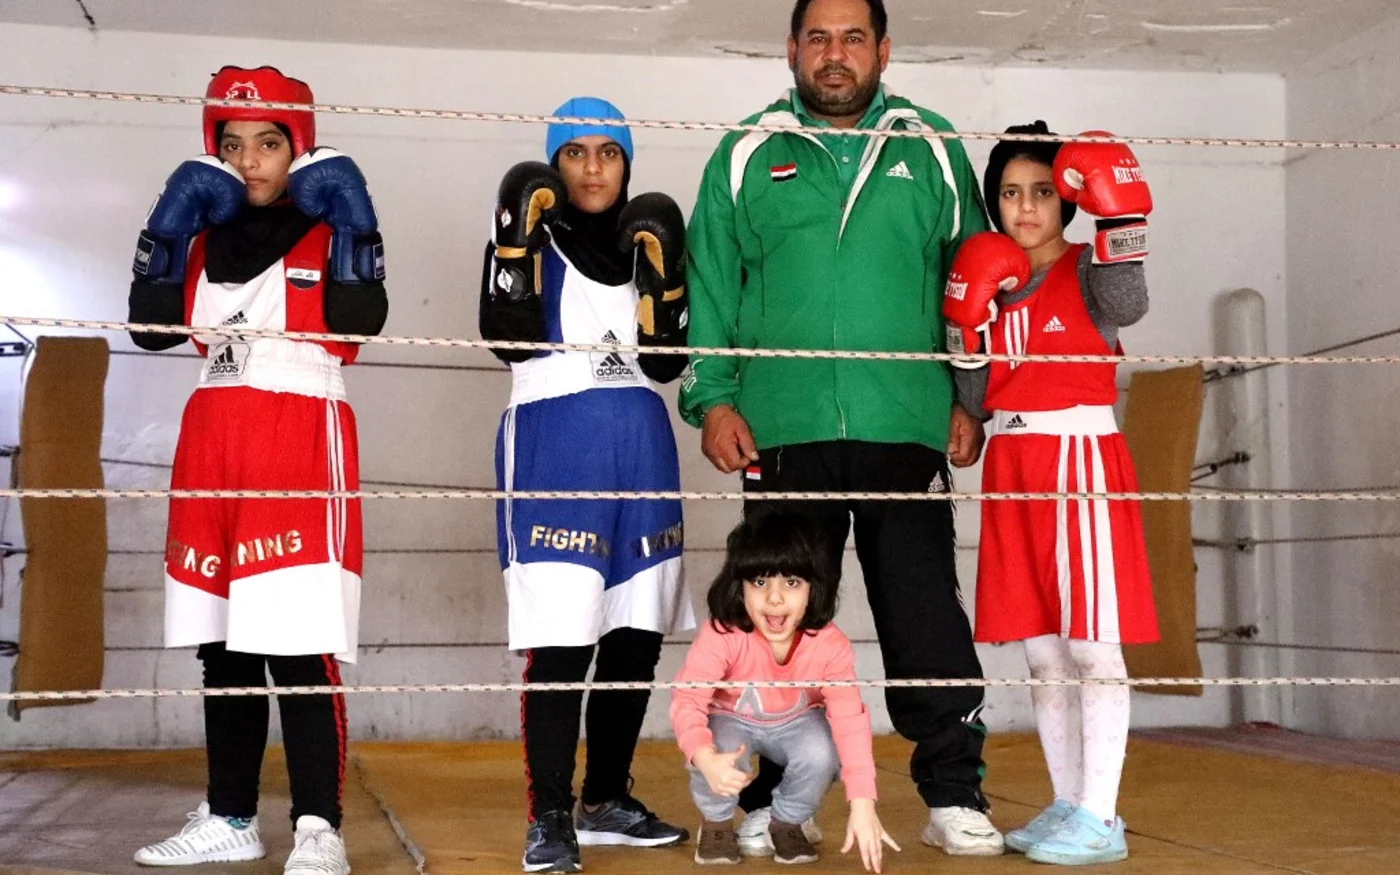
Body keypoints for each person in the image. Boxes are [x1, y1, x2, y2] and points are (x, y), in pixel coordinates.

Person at [678, 0, 1002, 856]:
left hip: (907, 421)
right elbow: (710, 284)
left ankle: (954, 793)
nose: (834, 54)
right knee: (772, 620)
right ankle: (770, 802)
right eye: (817, 37)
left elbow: (972, 281)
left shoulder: (929, 145)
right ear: (791, 48)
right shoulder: (746, 151)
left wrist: (971, 400)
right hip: (783, 426)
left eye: (852, 37)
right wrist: (712, 398)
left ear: (882, 49)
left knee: (924, 611)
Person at [127, 65, 387, 875]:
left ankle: (319, 826)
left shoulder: (328, 225)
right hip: (213, 437)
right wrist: (165, 230)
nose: (250, 161)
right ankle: (231, 812)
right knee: (225, 647)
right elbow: (151, 331)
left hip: (298, 432)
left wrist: (358, 223)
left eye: (268, 143)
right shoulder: (203, 238)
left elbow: (361, 319)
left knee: (300, 645)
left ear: (298, 148)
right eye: (232, 144)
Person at [479, 96, 695, 873]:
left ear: (627, 162)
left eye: (609, 151)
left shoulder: (650, 238)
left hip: (641, 444)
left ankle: (604, 797)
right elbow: (505, 344)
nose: (593, 166)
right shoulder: (529, 233)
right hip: (554, 444)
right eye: (576, 152)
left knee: (636, 633)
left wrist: (666, 285)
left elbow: (668, 366)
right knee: (562, 638)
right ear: (555, 164)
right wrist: (513, 247)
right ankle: (548, 813)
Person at [942, 121, 1161, 865]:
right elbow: (975, 392)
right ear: (992, 201)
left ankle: (1102, 815)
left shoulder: (1089, 264)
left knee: (1093, 643)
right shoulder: (989, 278)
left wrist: (1120, 215)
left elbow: (1130, 305)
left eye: (1041, 190)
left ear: (1065, 197)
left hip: (1079, 456)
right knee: (1042, 653)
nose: (1025, 207)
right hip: (1012, 461)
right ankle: (1069, 802)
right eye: (1009, 192)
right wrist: (964, 321)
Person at [671, 510, 900, 872]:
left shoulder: (830, 644)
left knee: (823, 751)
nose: (775, 598)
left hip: (796, 722)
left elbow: (850, 722)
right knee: (715, 746)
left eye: (792, 582)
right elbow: (688, 700)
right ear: (739, 586)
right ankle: (716, 824)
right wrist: (703, 757)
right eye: (760, 582)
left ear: (813, 589)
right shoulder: (722, 633)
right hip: (732, 720)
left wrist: (863, 804)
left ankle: (788, 821)